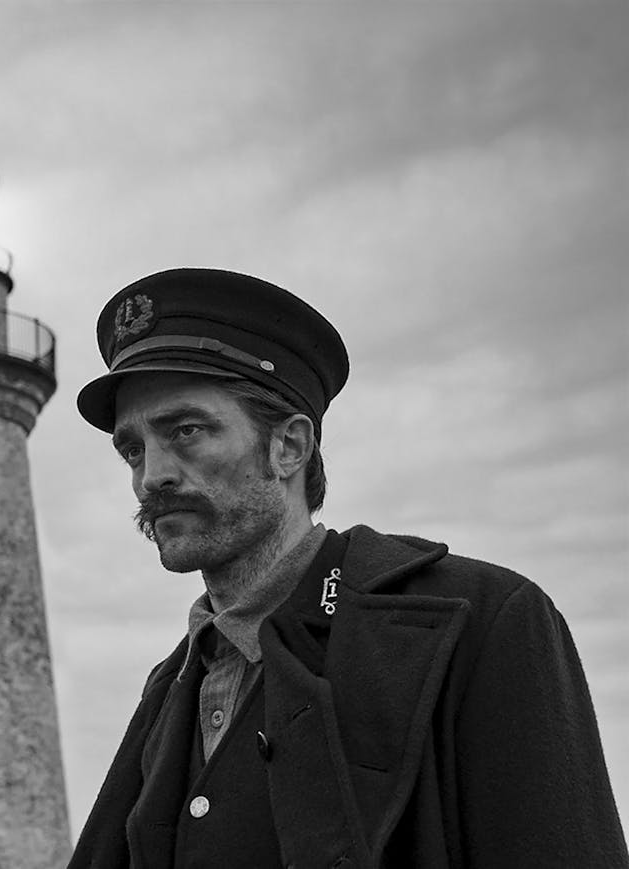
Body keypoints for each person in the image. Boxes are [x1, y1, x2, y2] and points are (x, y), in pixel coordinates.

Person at [67, 269, 627, 868]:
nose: (152, 476)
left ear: (289, 447)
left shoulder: (479, 620)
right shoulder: (170, 686)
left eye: (186, 430)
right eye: (132, 449)